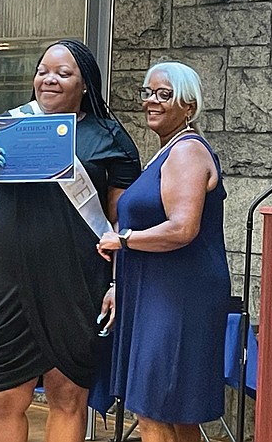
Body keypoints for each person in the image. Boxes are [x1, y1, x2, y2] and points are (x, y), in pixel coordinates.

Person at [0, 39, 141, 442]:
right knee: (3, 399)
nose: (49, 79)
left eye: (63, 73)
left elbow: (120, 220)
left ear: (86, 83)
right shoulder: (7, 126)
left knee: (68, 396)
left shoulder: (109, 136)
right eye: (43, 71)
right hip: (11, 281)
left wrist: (117, 282)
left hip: (77, 280)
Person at [97, 61, 233, 442]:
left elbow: (182, 228)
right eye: (147, 92)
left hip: (179, 294)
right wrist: (119, 285)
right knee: (177, 411)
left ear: (188, 106)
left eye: (164, 94)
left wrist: (122, 240)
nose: (151, 102)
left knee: (152, 406)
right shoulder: (166, 151)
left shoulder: (187, 152)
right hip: (155, 290)